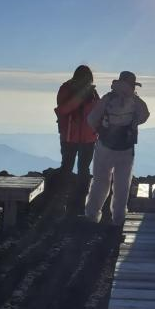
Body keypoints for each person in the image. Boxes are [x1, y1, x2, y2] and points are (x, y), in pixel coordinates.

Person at [84, 71, 149, 226]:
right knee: (122, 185)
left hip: (105, 145)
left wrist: (100, 129)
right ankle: (118, 219)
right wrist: (132, 124)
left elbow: (91, 119)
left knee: (100, 182)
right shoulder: (135, 101)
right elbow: (144, 116)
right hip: (126, 147)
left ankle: (92, 216)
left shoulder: (108, 98)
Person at [55, 65, 100, 212]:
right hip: (70, 137)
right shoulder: (67, 89)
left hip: (87, 138)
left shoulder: (92, 93)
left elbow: (98, 111)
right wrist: (80, 98)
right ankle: (60, 202)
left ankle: (79, 204)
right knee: (67, 168)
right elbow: (62, 109)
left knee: (83, 170)